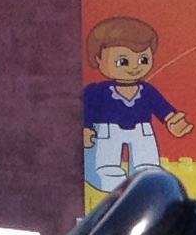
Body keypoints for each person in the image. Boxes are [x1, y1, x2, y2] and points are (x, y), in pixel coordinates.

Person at [81, 17, 189, 192]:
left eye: (143, 60)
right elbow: (88, 109)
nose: (134, 68)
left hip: (142, 131)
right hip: (108, 132)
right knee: (105, 164)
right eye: (122, 61)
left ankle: (147, 172)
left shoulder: (147, 91)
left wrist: (172, 120)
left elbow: (162, 108)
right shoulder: (98, 91)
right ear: (98, 59)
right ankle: (105, 174)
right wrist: (86, 128)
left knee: (147, 162)